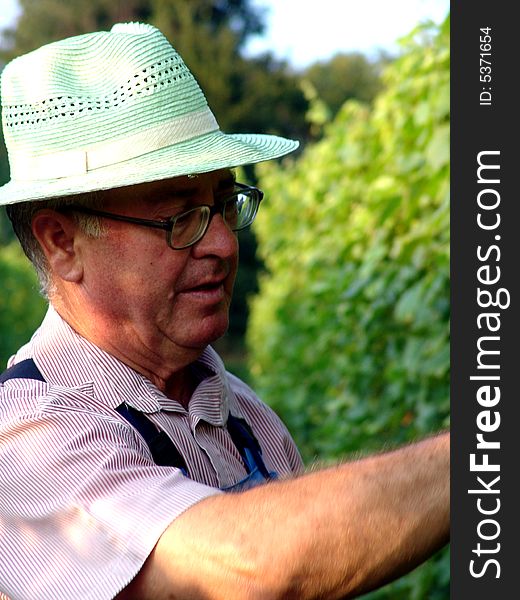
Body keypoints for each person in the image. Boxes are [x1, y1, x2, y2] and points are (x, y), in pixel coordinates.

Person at [0, 22, 449, 600]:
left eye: (220, 203)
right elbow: (245, 564)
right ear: (62, 242)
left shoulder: (248, 419)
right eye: (179, 217)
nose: (222, 243)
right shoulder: (27, 443)